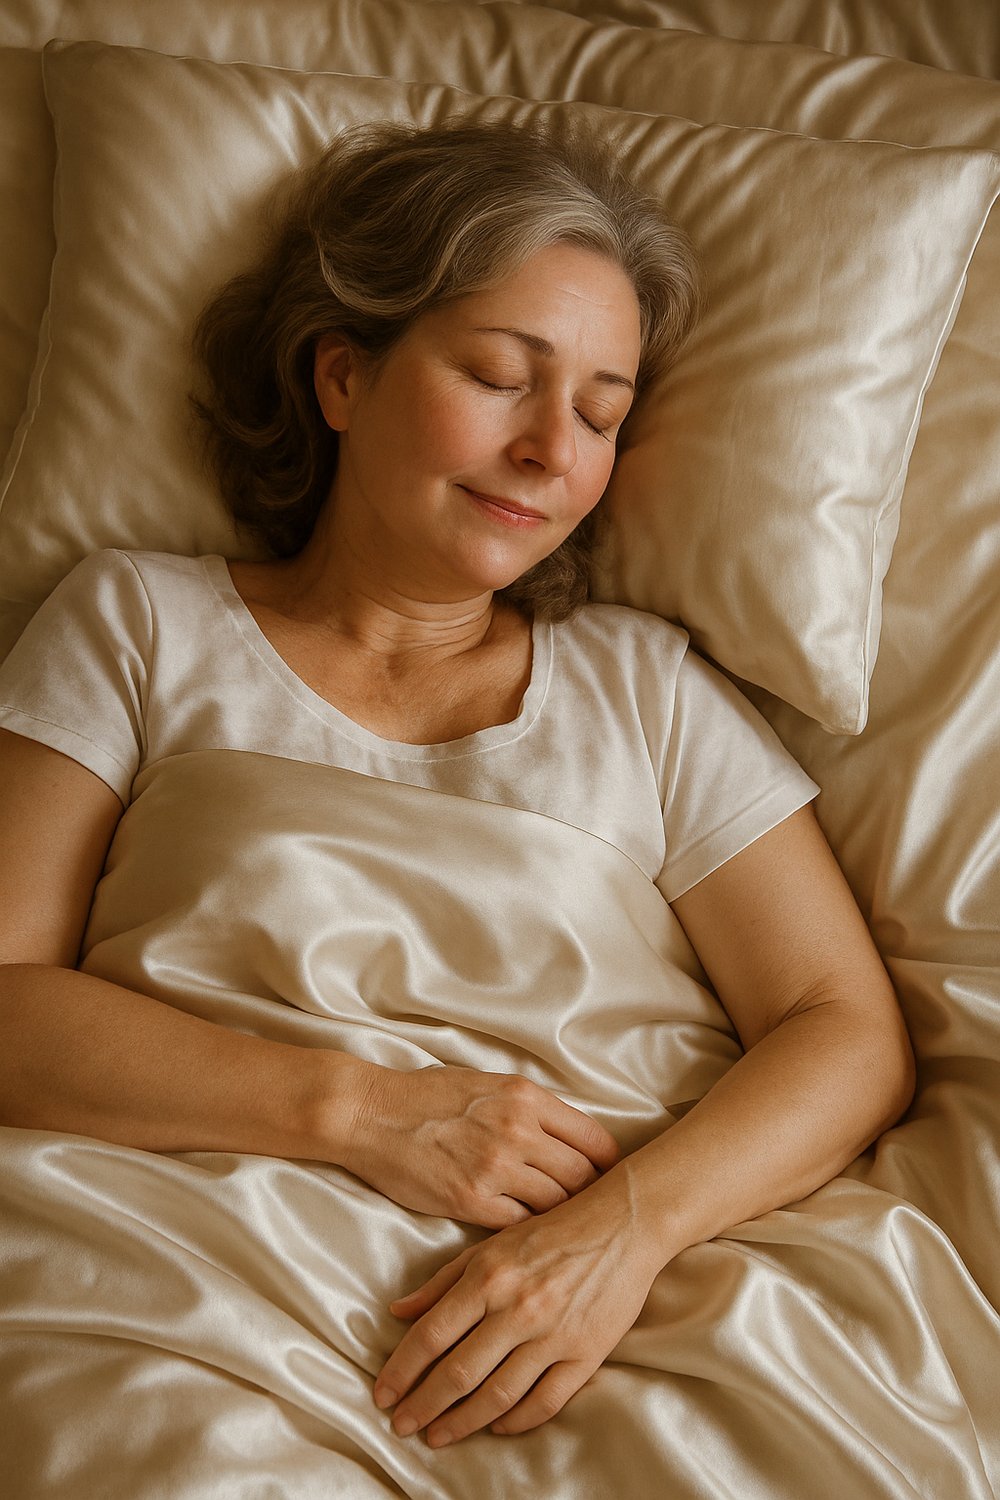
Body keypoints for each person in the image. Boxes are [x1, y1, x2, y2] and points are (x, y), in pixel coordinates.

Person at [0, 121, 914, 1451]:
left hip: (588, 1322)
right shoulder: (140, 623)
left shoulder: (645, 690)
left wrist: (622, 1234)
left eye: (601, 412)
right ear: (341, 378)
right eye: (501, 375)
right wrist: (369, 1112)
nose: (554, 448)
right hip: (189, 1289)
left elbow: (846, 1027)